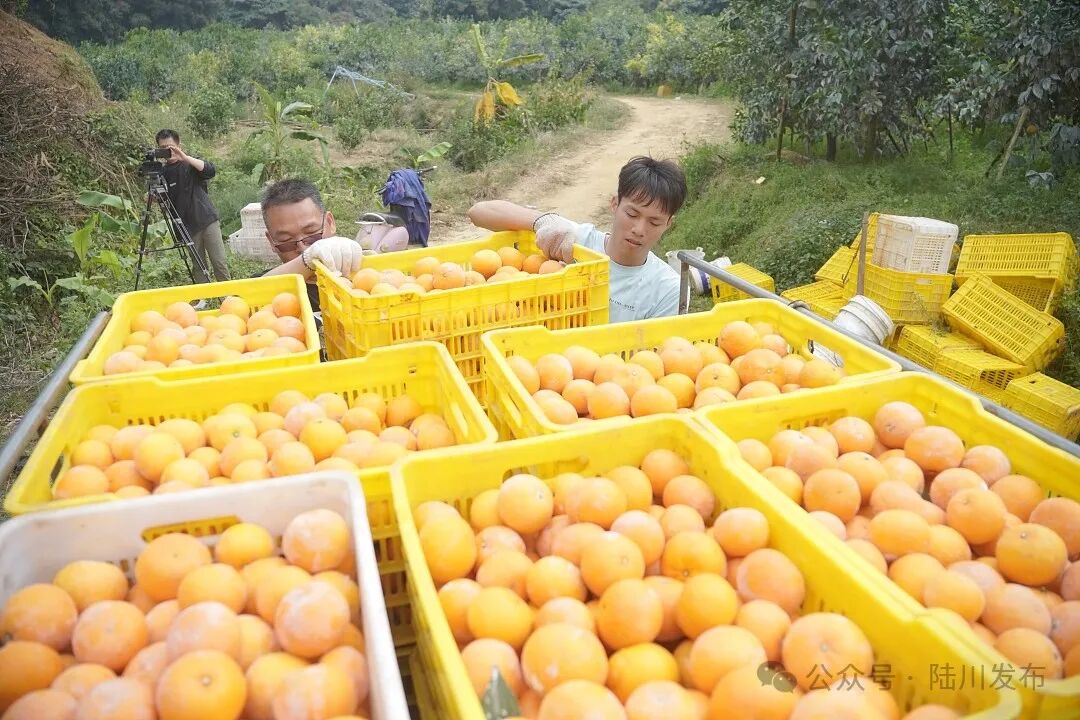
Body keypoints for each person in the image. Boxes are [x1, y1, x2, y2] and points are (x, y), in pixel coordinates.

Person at [467, 156, 687, 322]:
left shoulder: (666, 288)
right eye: (632, 214)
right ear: (614, 204)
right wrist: (542, 220)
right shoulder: (574, 241)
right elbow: (479, 212)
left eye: (654, 222)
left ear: (668, 224)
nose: (639, 229)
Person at [259, 178, 364, 313]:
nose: (303, 249)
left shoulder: (361, 277)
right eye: (287, 240)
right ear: (272, 241)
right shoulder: (271, 286)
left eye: (312, 234)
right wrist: (306, 261)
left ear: (330, 223)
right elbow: (242, 299)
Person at [155, 129, 230, 283]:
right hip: (186, 225)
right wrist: (152, 196)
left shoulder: (190, 164)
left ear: (178, 145)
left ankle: (227, 296)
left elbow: (210, 170)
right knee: (198, 264)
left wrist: (184, 157)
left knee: (219, 261)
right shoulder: (162, 173)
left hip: (206, 219)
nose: (167, 151)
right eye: (162, 148)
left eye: (170, 146)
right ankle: (203, 296)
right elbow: (162, 198)